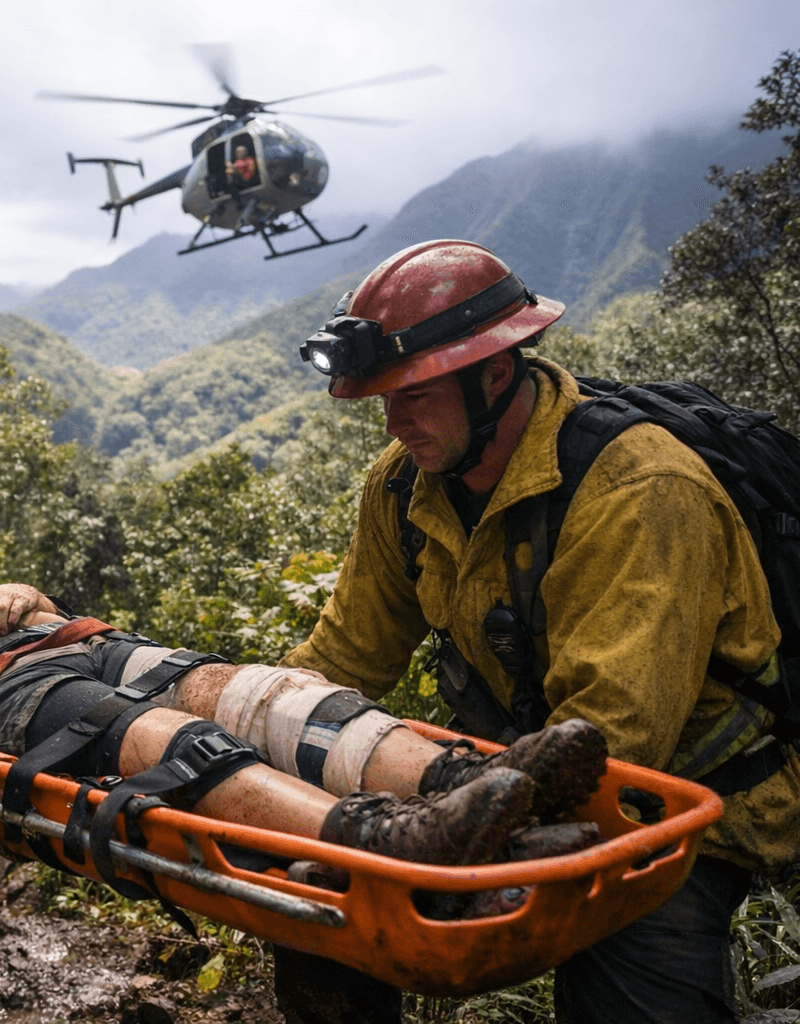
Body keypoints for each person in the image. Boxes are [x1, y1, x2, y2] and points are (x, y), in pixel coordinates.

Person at [281, 238, 800, 1024]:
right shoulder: (405, 485)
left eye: (414, 393)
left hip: (669, 802)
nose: (393, 421)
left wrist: (444, 827)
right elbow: (343, 658)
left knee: (626, 979)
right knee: (318, 900)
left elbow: (614, 744)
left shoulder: (640, 489)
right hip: (508, 773)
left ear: (495, 374)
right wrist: (263, 725)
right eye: (382, 398)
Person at [0, 485, 612, 881]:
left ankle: (466, 782)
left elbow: (22, 607)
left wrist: (17, 598)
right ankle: (383, 837)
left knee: (250, 689)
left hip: (66, 643)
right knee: (159, 739)